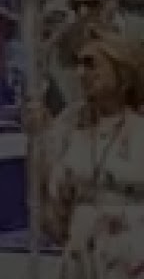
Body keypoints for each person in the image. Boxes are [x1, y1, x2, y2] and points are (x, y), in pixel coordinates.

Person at [25, 22, 144, 279]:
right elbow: (52, 197)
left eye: (91, 64)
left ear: (121, 74)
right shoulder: (68, 125)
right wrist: (40, 140)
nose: (81, 73)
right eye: (78, 64)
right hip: (82, 257)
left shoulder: (140, 130)